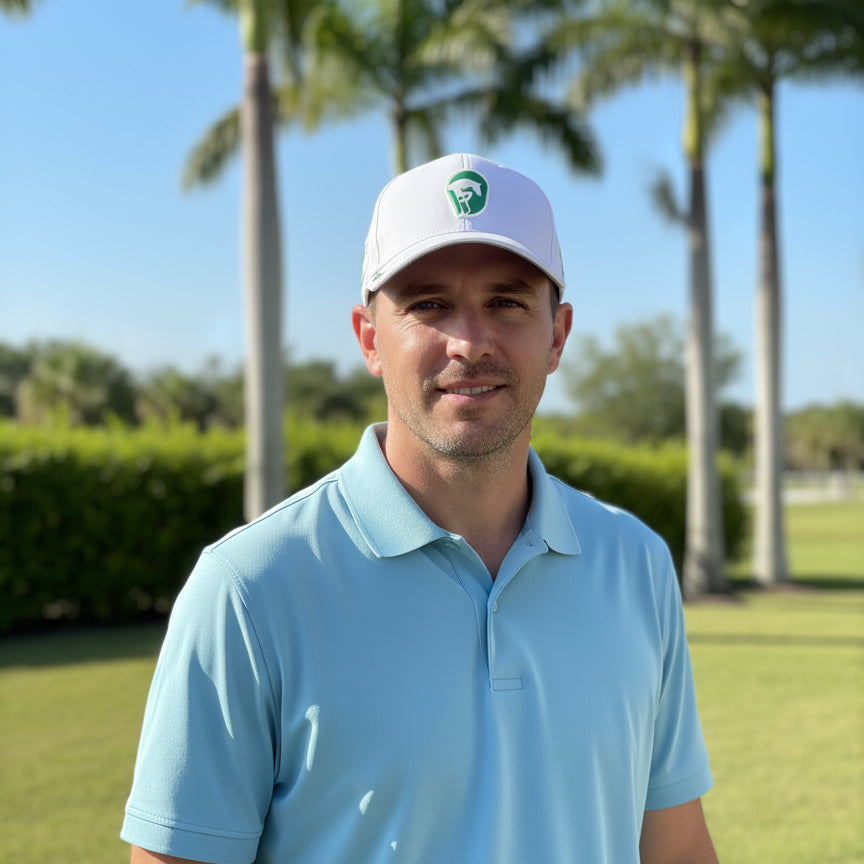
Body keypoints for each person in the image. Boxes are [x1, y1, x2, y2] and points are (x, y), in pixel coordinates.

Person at [122, 153, 718, 864]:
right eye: (428, 305)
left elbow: (676, 848)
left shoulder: (636, 564)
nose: (469, 343)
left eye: (507, 302)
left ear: (556, 335)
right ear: (370, 338)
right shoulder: (250, 590)